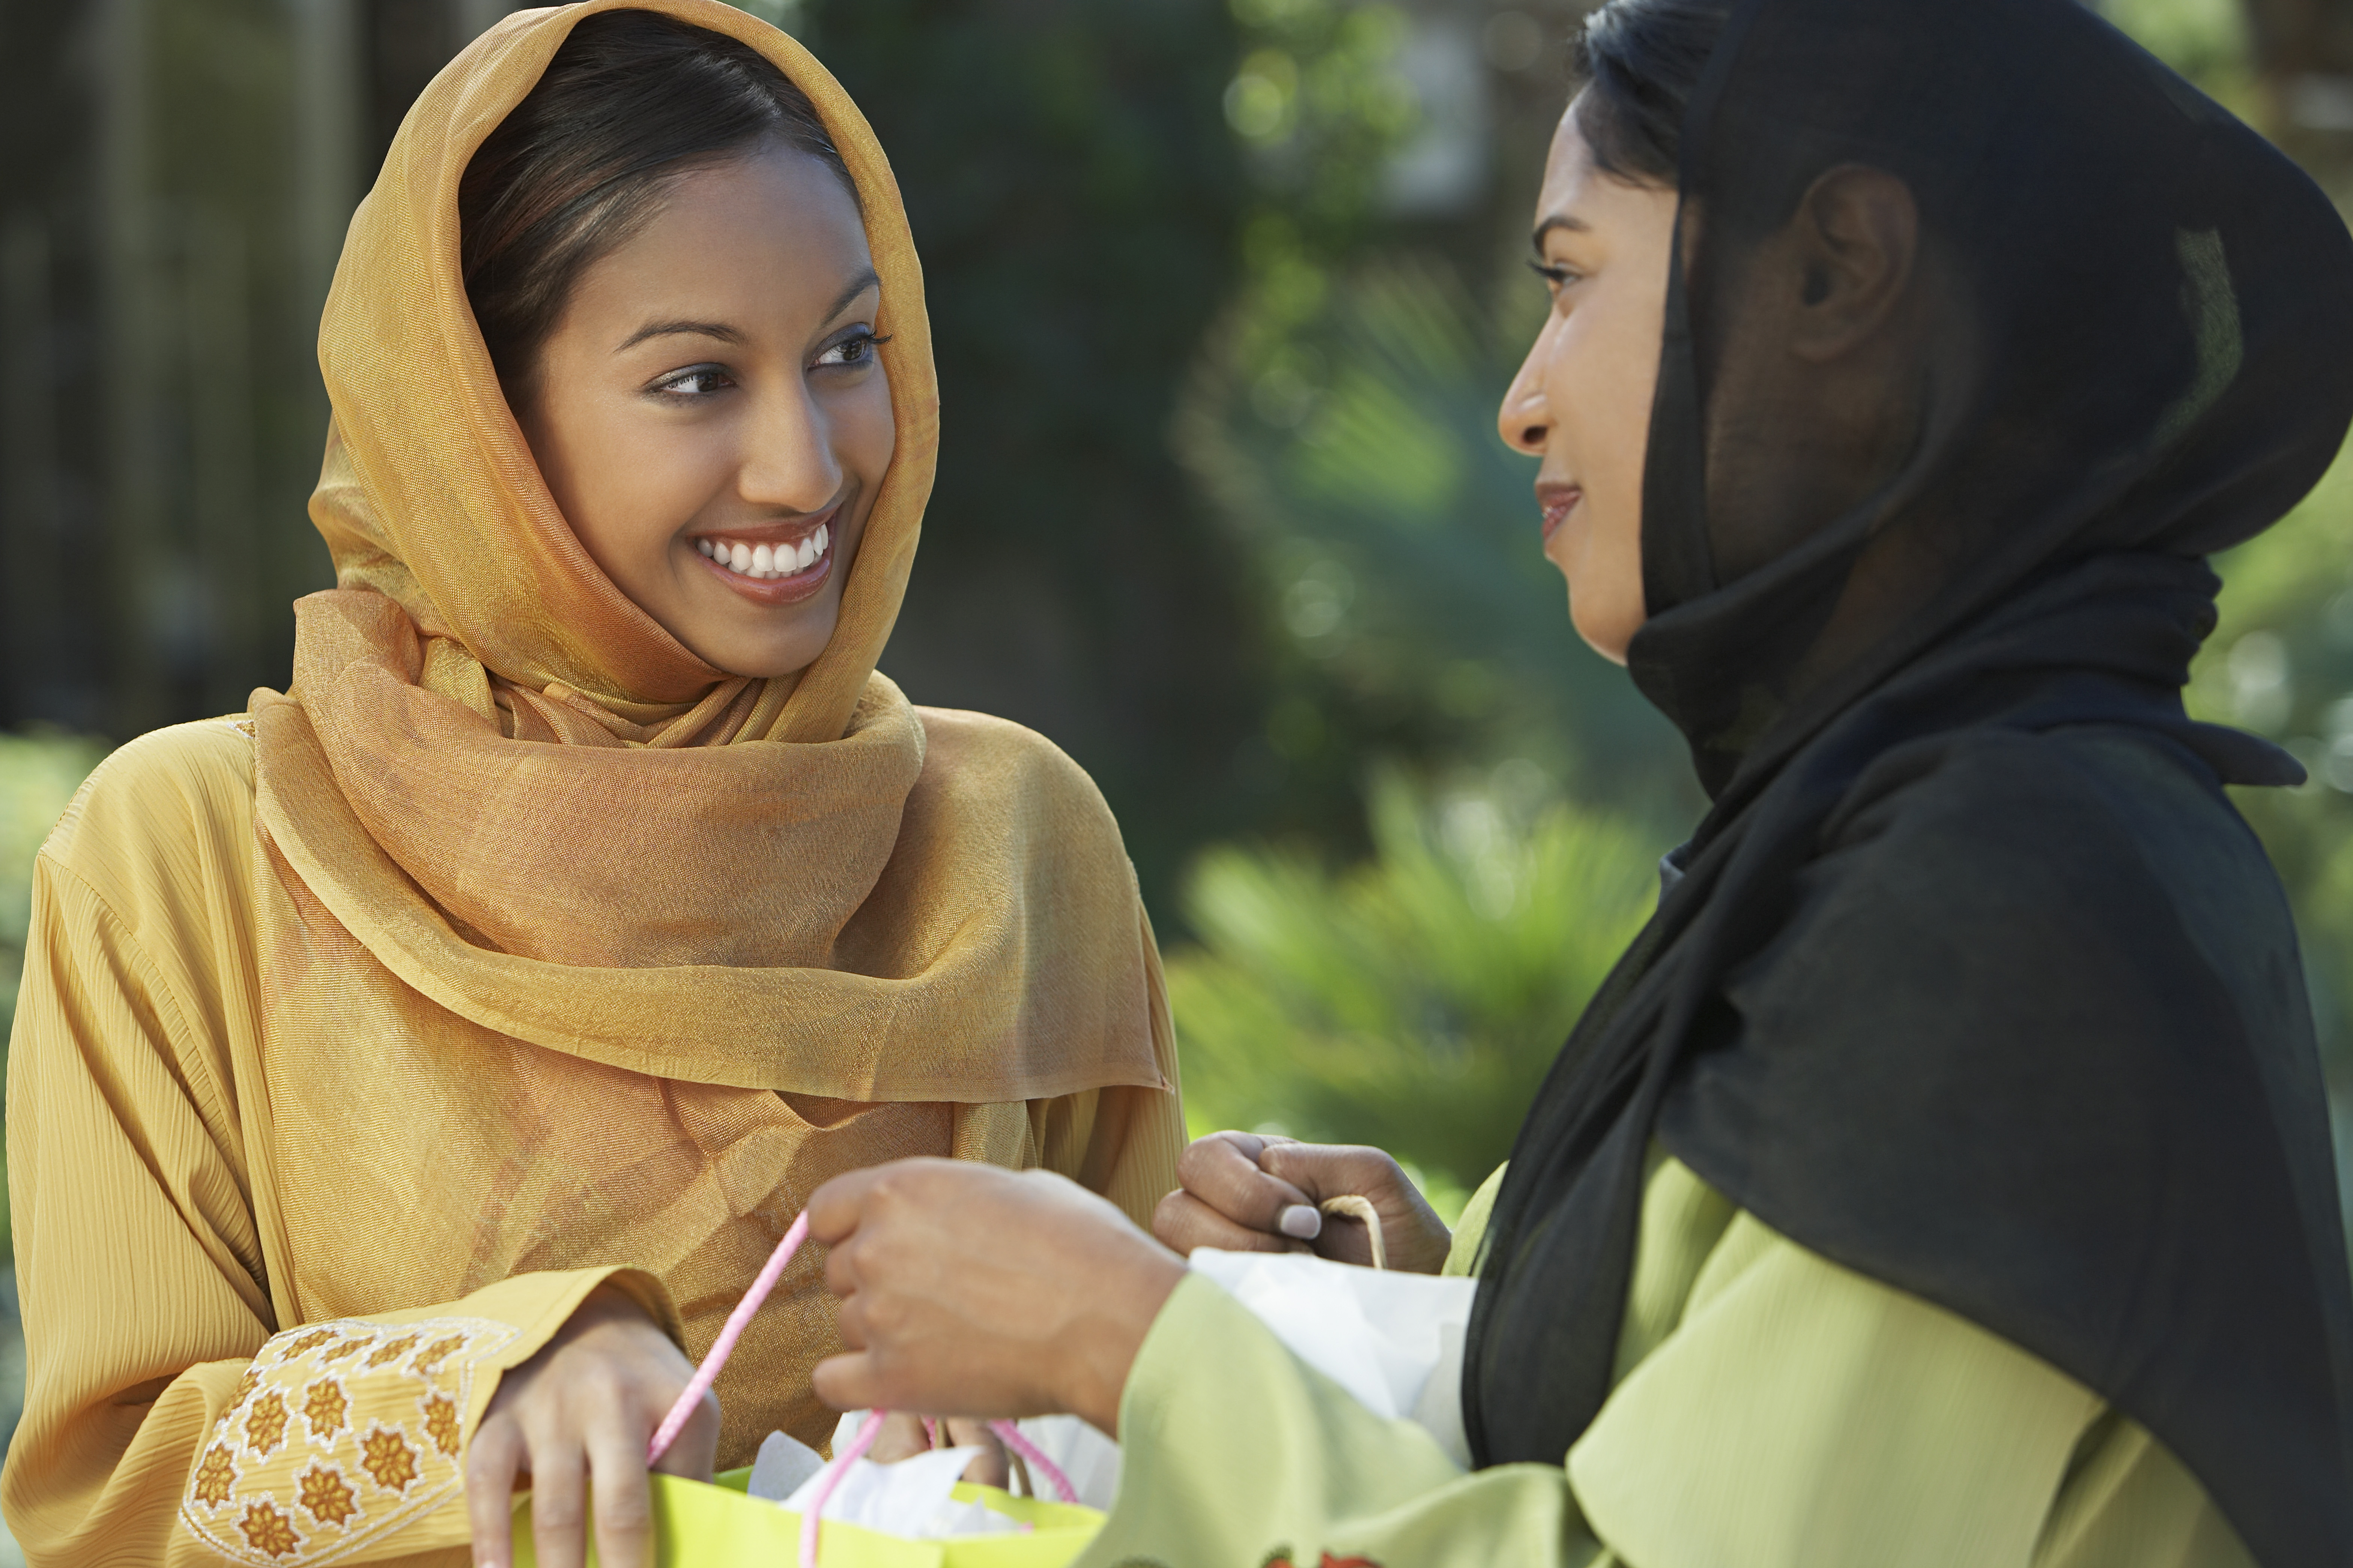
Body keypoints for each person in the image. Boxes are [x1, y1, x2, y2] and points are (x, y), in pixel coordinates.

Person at [803, 0, 2353, 1564]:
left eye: (1569, 278)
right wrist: (1460, 1313)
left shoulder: (2003, 910)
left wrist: (1119, 1343)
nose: (1520, 398)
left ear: (1831, 271)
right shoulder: (1973, 821)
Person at [0, 5, 1185, 1566]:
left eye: (845, 352)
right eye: (696, 381)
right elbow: (108, 1497)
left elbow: (1151, 1453)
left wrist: (1256, 1290)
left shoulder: (1011, 839)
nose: (806, 467)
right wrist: (478, 1388)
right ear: (480, 424)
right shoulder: (196, 856)